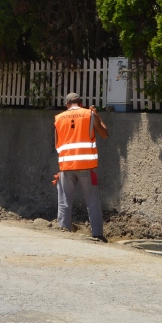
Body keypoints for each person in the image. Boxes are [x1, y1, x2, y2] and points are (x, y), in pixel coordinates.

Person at [53, 92, 109, 241]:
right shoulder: (89, 114)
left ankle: (63, 233)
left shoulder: (58, 119)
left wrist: (61, 169)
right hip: (87, 166)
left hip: (66, 166)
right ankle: (97, 235)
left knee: (64, 202)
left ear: (67, 105)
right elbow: (104, 134)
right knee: (92, 201)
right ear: (81, 103)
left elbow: (57, 145)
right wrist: (97, 115)